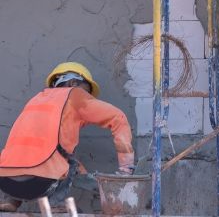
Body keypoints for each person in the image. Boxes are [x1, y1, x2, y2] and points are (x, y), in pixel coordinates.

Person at [0, 63, 134, 211]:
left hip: (6, 183)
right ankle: (54, 204)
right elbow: (118, 117)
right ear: (73, 83)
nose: (88, 97)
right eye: (87, 92)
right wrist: (126, 169)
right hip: (40, 184)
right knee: (69, 161)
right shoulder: (75, 95)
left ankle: (11, 201)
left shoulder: (37, 99)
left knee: (25, 154)